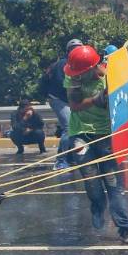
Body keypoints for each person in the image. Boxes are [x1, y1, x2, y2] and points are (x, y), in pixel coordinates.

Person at [64, 44, 128, 244]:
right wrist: (96, 99)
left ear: (91, 67)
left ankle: (125, 227)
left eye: (80, 72)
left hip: (106, 134)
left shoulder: (109, 76)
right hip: (80, 134)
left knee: (113, 183)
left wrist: (111, 94)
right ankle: (97, 208)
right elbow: (75, 105)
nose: (76, 75)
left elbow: (123, 101)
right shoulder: (72, 78)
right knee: (91, 180)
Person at [42, 39, 82, 170]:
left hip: (68, 99)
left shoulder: (78, 64)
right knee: (69, 128)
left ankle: (70, 157)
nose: (77, 51)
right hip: (59, 99)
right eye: (74, 48)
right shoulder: (63, 64)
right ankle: (60, 160)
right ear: (68, 51)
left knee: (75, 128)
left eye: (79, 48)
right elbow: (62, 84)